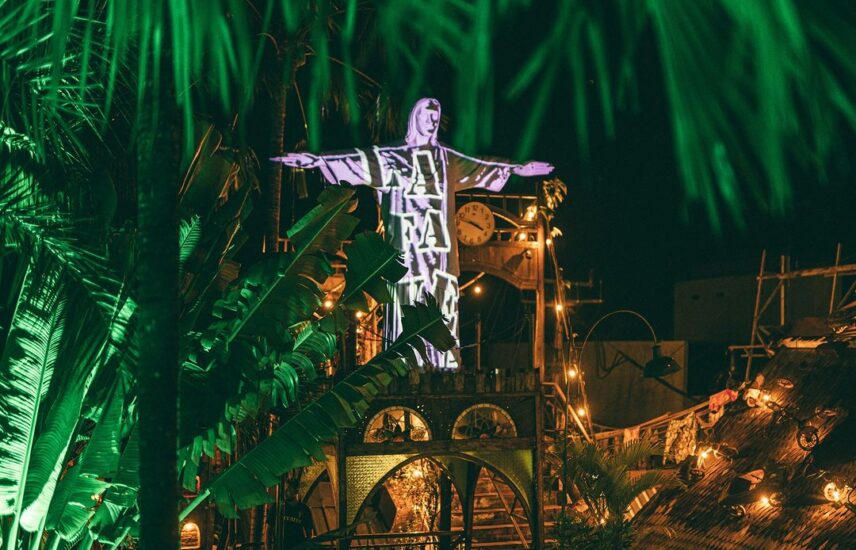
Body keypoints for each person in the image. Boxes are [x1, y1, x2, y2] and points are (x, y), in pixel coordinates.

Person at [272, 98, 553, 369]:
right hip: (406, 248)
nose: (432, 122)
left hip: (438, 252)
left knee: (441, 300)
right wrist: (316, 160)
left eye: (436, 118)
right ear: (414, 119)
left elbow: (480, 165)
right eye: (427, 116)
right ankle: (403, 362)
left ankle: (442, 362)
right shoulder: (393, 157)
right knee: (405, 299)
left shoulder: (446, 159)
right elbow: (355, 160)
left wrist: (518, 168)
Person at [280, 479, 314, 549]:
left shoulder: (304, 509)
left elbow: (309, 532)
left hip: (298, 546)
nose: (286, 491)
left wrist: (306, 546)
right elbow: (268, 529)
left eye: (289, 489)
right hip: (281, 546)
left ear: (296, 491)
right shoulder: (278, 507)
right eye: (285, 488)